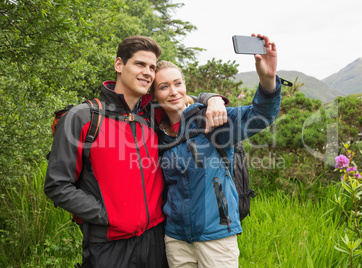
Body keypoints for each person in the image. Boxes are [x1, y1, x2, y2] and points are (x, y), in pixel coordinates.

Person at [44, 35, 227, 268]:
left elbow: (180, 96)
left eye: (152, 67)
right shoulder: (83, 117)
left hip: (156, 240)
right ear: (119, 65)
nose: (148, 72)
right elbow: (56, 185)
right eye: (140, 64)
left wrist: (212, 99)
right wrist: (106, 215)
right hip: (108, 245)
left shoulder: (152, 115)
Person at [150, 34, 281, 267]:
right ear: (155, 95)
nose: (173, 91)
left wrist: (267, 80)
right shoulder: (157, 133)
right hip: (175, 239)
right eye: (164, 87)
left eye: (178, 83)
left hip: (217, 236)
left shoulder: (212, 119)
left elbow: (259, 116)